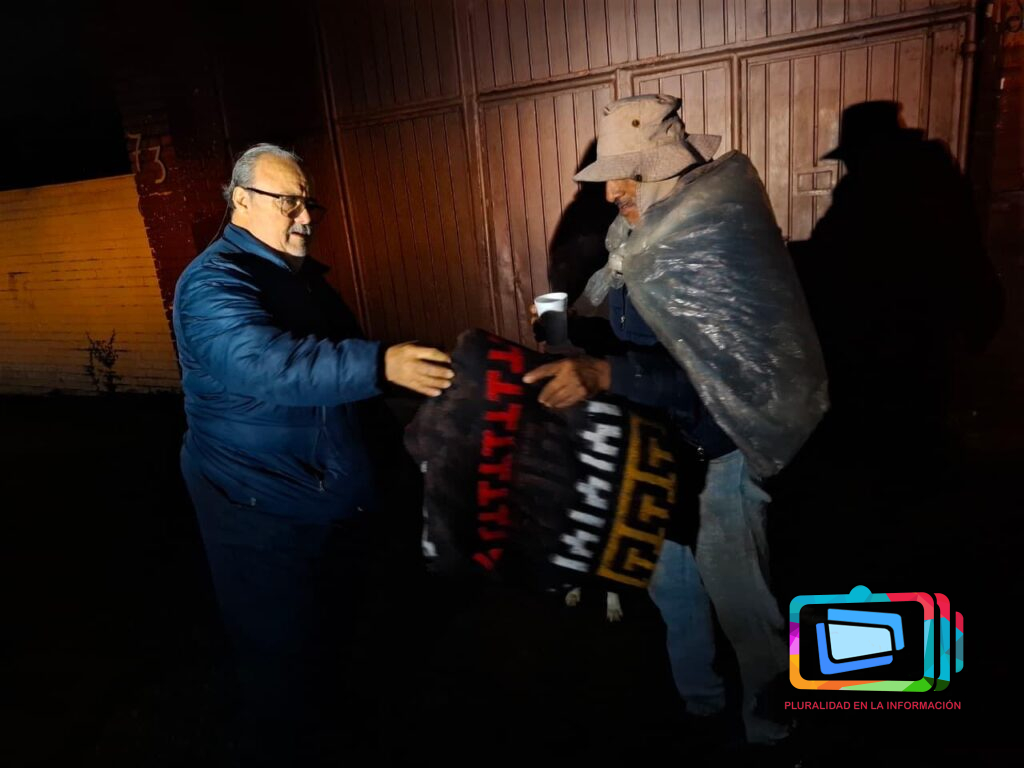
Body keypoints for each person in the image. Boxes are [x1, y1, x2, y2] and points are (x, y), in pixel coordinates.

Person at [522, 95, 828, 745]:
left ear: (667, 168)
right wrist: (565, 330)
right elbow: (638, 332)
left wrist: (605, 376)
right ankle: (700, 707)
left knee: (744, 606)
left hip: (718, 455)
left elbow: (715, 378)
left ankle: (773, 728)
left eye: (627, 175)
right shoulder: (636, 236)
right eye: (610, 176)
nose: (612, 193)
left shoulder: (708, 241)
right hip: (662, 451)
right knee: (673, 588)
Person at [172, 143, 454, 763]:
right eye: (288, 202)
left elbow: (340, 385)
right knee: (281, 658)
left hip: (318, 494)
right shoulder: (214, 283)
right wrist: (380, 364)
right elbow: (265, 363)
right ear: (241, 201)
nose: (304, 216)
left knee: (333, 641)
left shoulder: (297, 277)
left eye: (308, 203)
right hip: (259, 504)